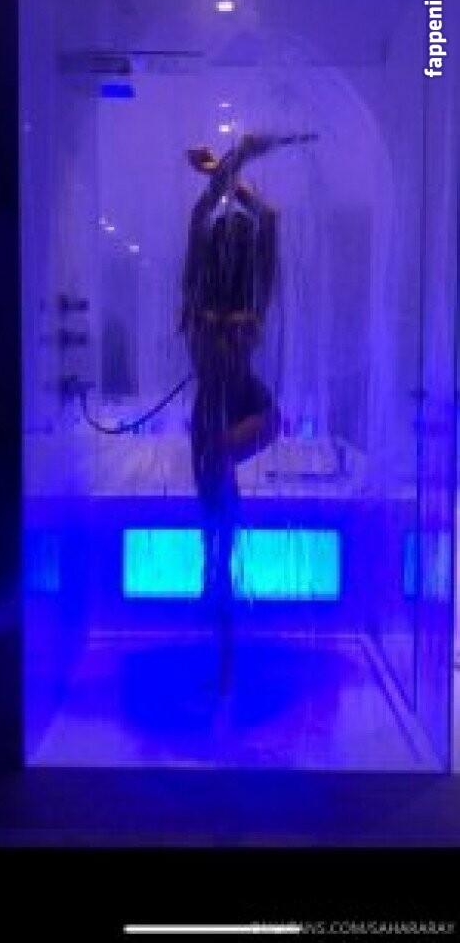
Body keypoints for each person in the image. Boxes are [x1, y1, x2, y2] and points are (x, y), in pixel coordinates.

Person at [180, 131, 317, 669]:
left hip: (227, 404)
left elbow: (214, 218)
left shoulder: (217, 296)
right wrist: (229, 168)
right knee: (218, 499)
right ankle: (219, 593)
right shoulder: (233, 298)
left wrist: (227, 169)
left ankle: (218, 590)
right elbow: (256, 220)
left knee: (217, 497)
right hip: (227, 405)